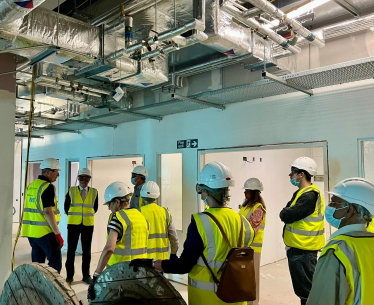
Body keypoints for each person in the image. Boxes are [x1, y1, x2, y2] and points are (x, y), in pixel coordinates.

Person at [130, 161, 255, 305]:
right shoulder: (242, 220)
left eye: (201, 190)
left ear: (206, 192)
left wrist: (152, 263)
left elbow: (184, 265)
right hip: (236, 298)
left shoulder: (201, 222)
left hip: (209, 299)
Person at [307, 177, 374, 305]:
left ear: (349, 210)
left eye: (334, 203)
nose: (329, 207)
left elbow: (321, 300)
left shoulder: (337, 251)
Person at [88, 182, 149, 300]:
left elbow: (109, 248)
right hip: (140, 271)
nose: (108, 207)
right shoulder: (141, 215)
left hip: (120, 272)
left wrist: (97, 274)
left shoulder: (118, 218)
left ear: (117, 202)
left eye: (109, 204)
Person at [280, 157, 325, 305]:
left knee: (307, 292)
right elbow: (288, 211)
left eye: (293, 172)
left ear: (302, 174)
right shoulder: (301, 193)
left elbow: (286, 214)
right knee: (304, 290)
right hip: (299, 249)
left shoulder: (309, 196)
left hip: (303, 250)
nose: (290, 176)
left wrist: (286, 213)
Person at [21, 158, 63, 273]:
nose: (58, 174)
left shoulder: (32, 186)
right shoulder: (47, 187)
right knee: (55, 265)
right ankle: (53, 289)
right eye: (56, 171)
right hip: (46, 233)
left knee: (37, 265)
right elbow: (48, 211)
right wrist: (58, 234)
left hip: (32, 233)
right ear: (48, 172)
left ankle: (37, 288)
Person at [64, 168, 98, 285]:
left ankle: (86, 275)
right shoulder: (71, 190)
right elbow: (66, 207)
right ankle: (69, 276)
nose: (84, 180)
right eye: (82, 178)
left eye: (87, 178)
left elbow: (96, 208)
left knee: (87, 252)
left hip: (88, 225)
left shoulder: (94, 192)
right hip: (73, 224)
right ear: (78, 178)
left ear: (89, 179)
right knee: (71, 251)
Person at [239, 178, 266, 305]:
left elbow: (252, 230)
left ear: (255, 192)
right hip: (244, 246)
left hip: (253, 249)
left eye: (247, 191)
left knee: (252, 278)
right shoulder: (245, 206)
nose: (245, 193)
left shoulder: (258, 208)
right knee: (244, 278)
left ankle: (253, 303)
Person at [140, 181, 179, 259]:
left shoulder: (138, 213)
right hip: (161, 262)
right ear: (157, 197)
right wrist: (173, 254)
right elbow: (174, 239)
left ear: (142, 196)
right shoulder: (165, 213)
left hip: (143, 262)